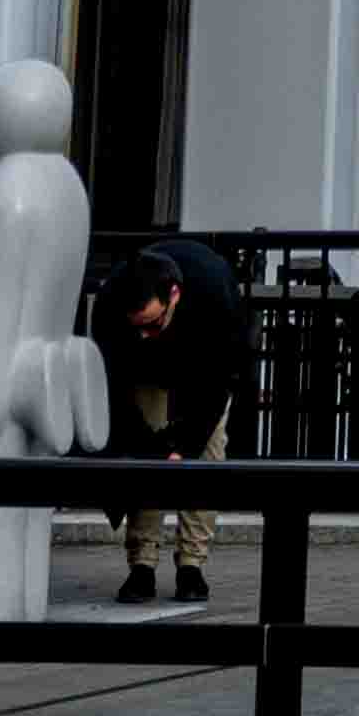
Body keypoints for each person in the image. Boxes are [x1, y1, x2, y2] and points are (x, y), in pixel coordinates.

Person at [104, 226, 244, 606]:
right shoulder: (112, 300)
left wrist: (184, 446)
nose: (146, 334)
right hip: (143, 372)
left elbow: (219, 385)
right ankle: (142, 564)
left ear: (174, 296)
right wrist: (151, 447)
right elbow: (112, 388)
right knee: (144, 456)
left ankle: (192, 565)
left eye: (153, 324)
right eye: (138, 328)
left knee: (207, 453)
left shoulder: (216, 294)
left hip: (204, 363)